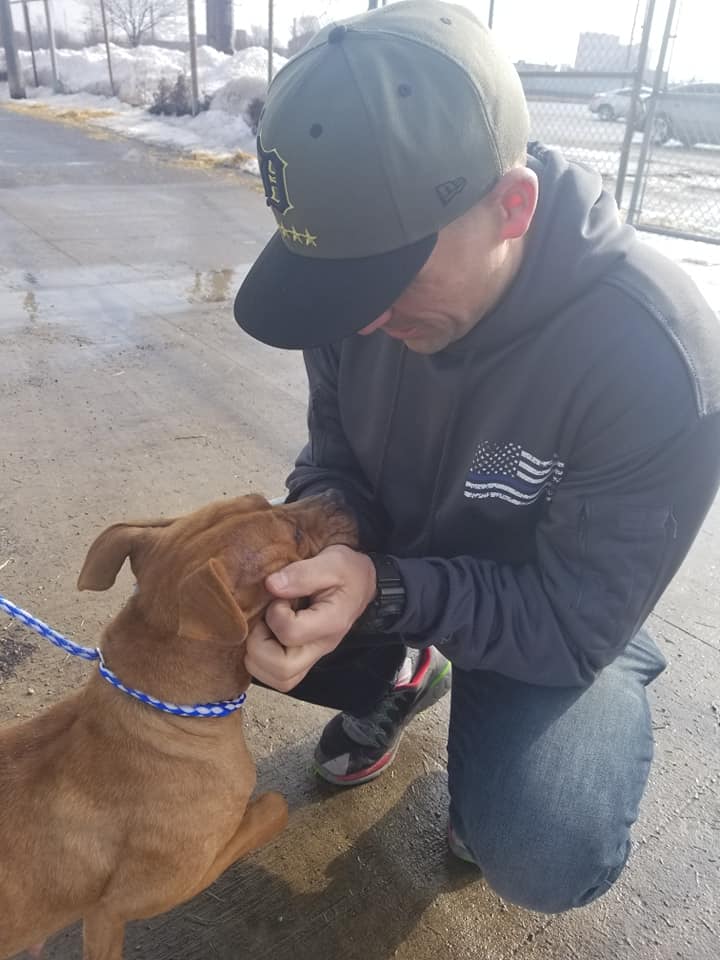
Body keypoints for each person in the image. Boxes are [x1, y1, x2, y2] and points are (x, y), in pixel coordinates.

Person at [233, 0, 720, 914]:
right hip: (406, 561)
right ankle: (420, 665)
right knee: (226, 615)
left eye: (384, 278)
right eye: (339, 286)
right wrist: (324, 548)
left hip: (558, 600)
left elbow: (572, 621)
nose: (363, 318)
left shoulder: (654, 358)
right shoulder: (358, 300)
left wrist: (388, 591)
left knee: (541, 841)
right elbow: (333, 461)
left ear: (512, 206)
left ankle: (525, 701)